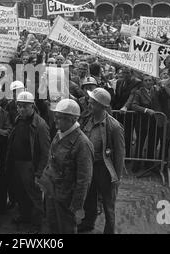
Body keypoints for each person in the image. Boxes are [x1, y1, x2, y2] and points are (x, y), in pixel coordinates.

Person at [39, 99, 93, 234]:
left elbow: (84, 179)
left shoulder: (82, 143)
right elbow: (51, 161)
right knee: (52, 226)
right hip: (53, 193)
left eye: (59, 118)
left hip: (66, 199)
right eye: (55, 117)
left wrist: (76, 206)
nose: (55, 121)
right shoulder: (59, 134)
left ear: (72, 119)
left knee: (65, 229)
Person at [79, 88, 125, 234]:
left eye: (92, 103)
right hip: (89, 166)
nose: (89, 104)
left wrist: (116, 177)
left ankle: (109, 230)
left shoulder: (114, 126)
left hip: (105, 169)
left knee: (108, 203)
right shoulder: (87, 119)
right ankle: (88, 222)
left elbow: (119, 154)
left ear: (102, 106)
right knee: (89, 198)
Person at [6, 91, 50, 233]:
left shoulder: (40, 125)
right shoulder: (19, 119)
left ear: (32, 106)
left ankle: (36, 224)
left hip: (30, 166)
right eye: (19, 106)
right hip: (17, 164)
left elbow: (45, 152)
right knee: (20, 192)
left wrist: (39, 173)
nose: (21, 109)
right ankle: (25, 216)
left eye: (25, 106)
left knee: (35, 196)